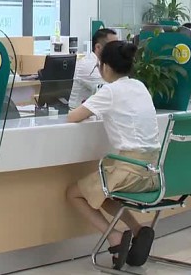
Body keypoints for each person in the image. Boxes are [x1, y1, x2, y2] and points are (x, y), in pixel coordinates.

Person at [65, 41, 161, 269]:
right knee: (101, 194)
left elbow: (73, 116)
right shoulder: (140, 86)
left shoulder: (110, 91)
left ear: (105, 67)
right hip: (153, 173)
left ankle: (114, 236)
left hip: (129, 171)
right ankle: (137, 229)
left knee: (74, 194)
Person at [68, 28, 119, 110]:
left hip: (97, 112)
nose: (118, 50)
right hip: (80, 114)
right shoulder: (87, 65)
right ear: (98, 47)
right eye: (113, 46)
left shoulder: (108, 63)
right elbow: (108, 91)